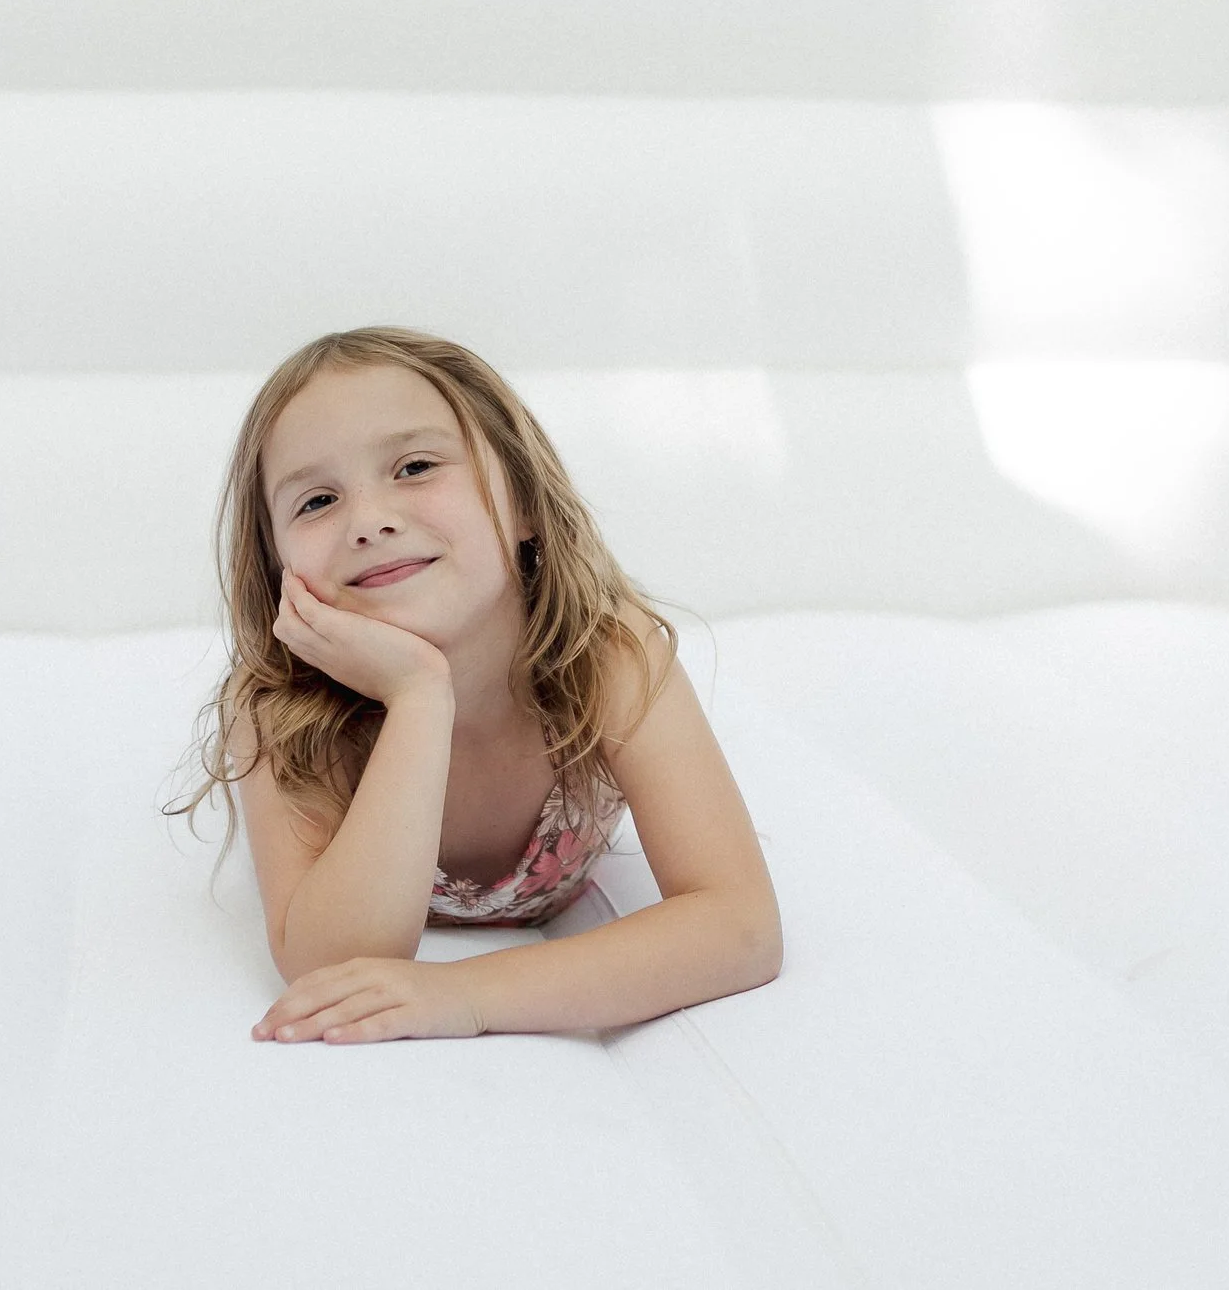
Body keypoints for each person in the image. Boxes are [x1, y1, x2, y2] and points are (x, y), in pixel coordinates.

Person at [164, 326, 781, 1044]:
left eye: (416, 465)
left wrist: (467, 993)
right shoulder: (278, 706)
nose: (368, 520)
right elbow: (331, 966)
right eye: (316, 501)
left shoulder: (609, 655)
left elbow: (741, 925)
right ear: (277, 567)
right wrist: (419, 696)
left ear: (521, 501)